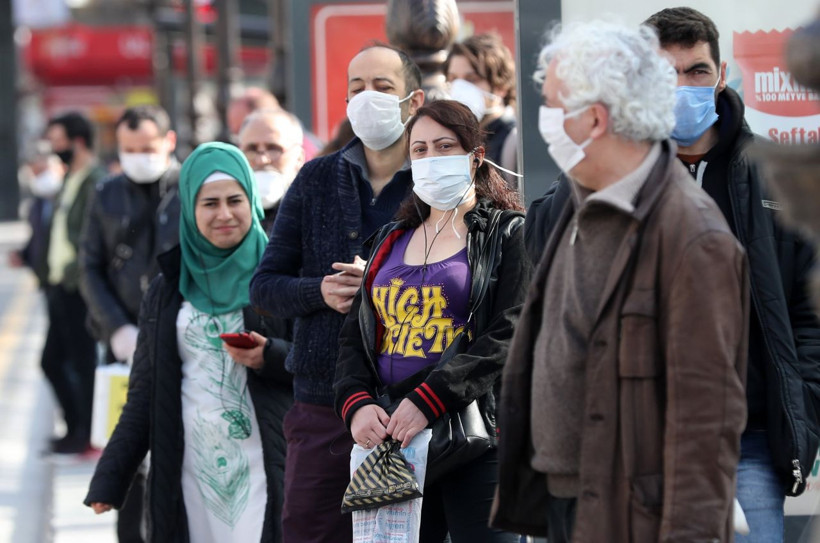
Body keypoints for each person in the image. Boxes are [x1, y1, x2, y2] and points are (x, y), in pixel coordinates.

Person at [491, 21, 749, 542]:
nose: (542, 120)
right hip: (568, 504)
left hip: (635, 517)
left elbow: (705, 428)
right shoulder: (577, 203)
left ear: (594, 118)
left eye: (554, 105)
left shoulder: (691, 236)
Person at [644, 8, 820, 542]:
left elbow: (807, 309)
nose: (681, 85)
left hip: (748, 441)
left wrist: (802, 401)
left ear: (721, 75)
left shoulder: (772, 171)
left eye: (696, 71)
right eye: (663, 74)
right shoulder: (615, 175)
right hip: (641, 442)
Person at [249, 42, 424, 543]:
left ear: (413, 101)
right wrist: (319, 292)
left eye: (383, 87)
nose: (368, 98)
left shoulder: (434, 180)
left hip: (411, 404)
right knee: (310, 530)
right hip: (322, 402)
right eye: (357, 88)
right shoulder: (316, 177)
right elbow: (265, 287)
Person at [334, 100, 529, 541]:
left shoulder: (508, 233)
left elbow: (510, 332)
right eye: (420, 150)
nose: (431, 159)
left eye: (445, 147)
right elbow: (355, 338)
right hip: (391, 436)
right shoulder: (391, 237)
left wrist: (431, 399)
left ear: (475, 157)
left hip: (475, 435)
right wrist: (356, 403)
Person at [84, 142, 293, 542]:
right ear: (190, 211)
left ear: (252, 200)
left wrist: (270, 355)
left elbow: (319, 364)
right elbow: (145, 391)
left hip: (268, 460)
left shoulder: (282, 277)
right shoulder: (167, 289)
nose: (224, 214)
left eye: (235, 200)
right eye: (209, 203)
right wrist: (111, 478)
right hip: (190, 466)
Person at [78, 105, 179, 543]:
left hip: (178, 339)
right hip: (122, 346)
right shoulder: (106, 194)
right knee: (128, 454)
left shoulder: (189, 188)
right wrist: (116, 327)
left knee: (176, 450)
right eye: (129, 149)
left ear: (169, 143)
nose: (139, 156)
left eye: (148, 148)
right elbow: (90, 267)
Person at [43, 111, 107, 454]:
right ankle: (75, 428)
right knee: (52, 360)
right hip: (58, 285)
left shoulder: (94, 179)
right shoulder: (70, 177)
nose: (55, 148)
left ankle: (85, 433)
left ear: (78, 141)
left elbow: (88, 236)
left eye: (58, 140)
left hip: (76, 287)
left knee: (82, 362)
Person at [444, 33, 519, 187]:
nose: (459, 88)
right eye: (453, 79)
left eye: (471, 80)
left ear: (500, 85)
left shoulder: (514, 141)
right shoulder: (454, 136)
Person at [237, 108, 306, 233]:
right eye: (251, 149)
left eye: (274, 149)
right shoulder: (227, 215)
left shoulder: (317, 212)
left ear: (299, 158)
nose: (262, 160)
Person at [9, 142, 64, 285]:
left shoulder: (64, 194)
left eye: (42, 170)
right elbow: (38, 237)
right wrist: (23, 255)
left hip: (66, 277)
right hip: (46, 276)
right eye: (35, 171)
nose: (38, 175)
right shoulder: (37, 203)